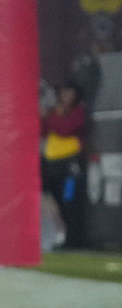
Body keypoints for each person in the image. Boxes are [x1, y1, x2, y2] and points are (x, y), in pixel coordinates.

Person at [40, 80, 89, 250]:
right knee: (60, 203)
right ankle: (67, 238)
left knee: (70, 201)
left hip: (71, 166)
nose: (64, 96)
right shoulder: (56, 112)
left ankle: (75, 239)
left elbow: (65, 128)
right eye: (62, 92)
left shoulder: (79, 111)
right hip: (54, 166)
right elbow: (43, 131)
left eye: (68, 92)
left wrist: (50, 116)